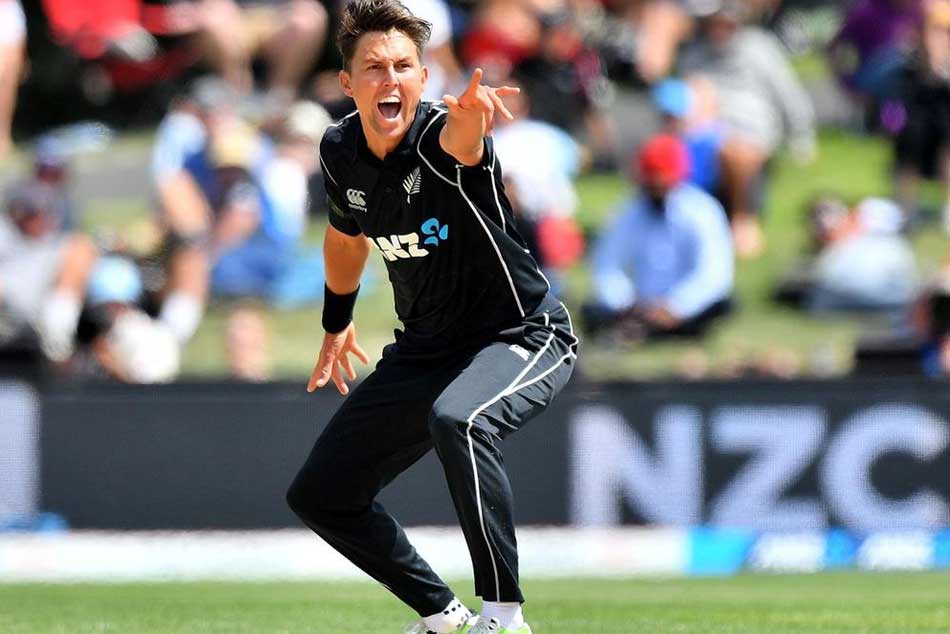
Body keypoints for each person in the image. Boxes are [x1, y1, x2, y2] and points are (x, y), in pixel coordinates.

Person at [284, 2, 577, 634]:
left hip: (521, 334)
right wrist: (336, 321)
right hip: (427, 350)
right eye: (374, 67)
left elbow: (463, 141)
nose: (391, 78)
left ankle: (504, 616)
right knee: (321, 493)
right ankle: (444, 617)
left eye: (404, 66)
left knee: (460, 420)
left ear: (423, 76)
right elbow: (345, 239)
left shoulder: (444, 135)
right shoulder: (338, 150)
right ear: (347, 83)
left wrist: (472, 119)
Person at [583, 134, 734, 340]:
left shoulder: (703, 211)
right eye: (651, 183)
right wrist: (624, 303)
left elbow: (714, 274)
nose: (656, 190)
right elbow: (607, 265)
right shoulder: (628, 212)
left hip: (687, 308)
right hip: (639, 305)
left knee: (724, 305)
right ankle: (640, 327)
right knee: (591, 311)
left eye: (662, 183)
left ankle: (648, 330)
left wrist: (677, 306)